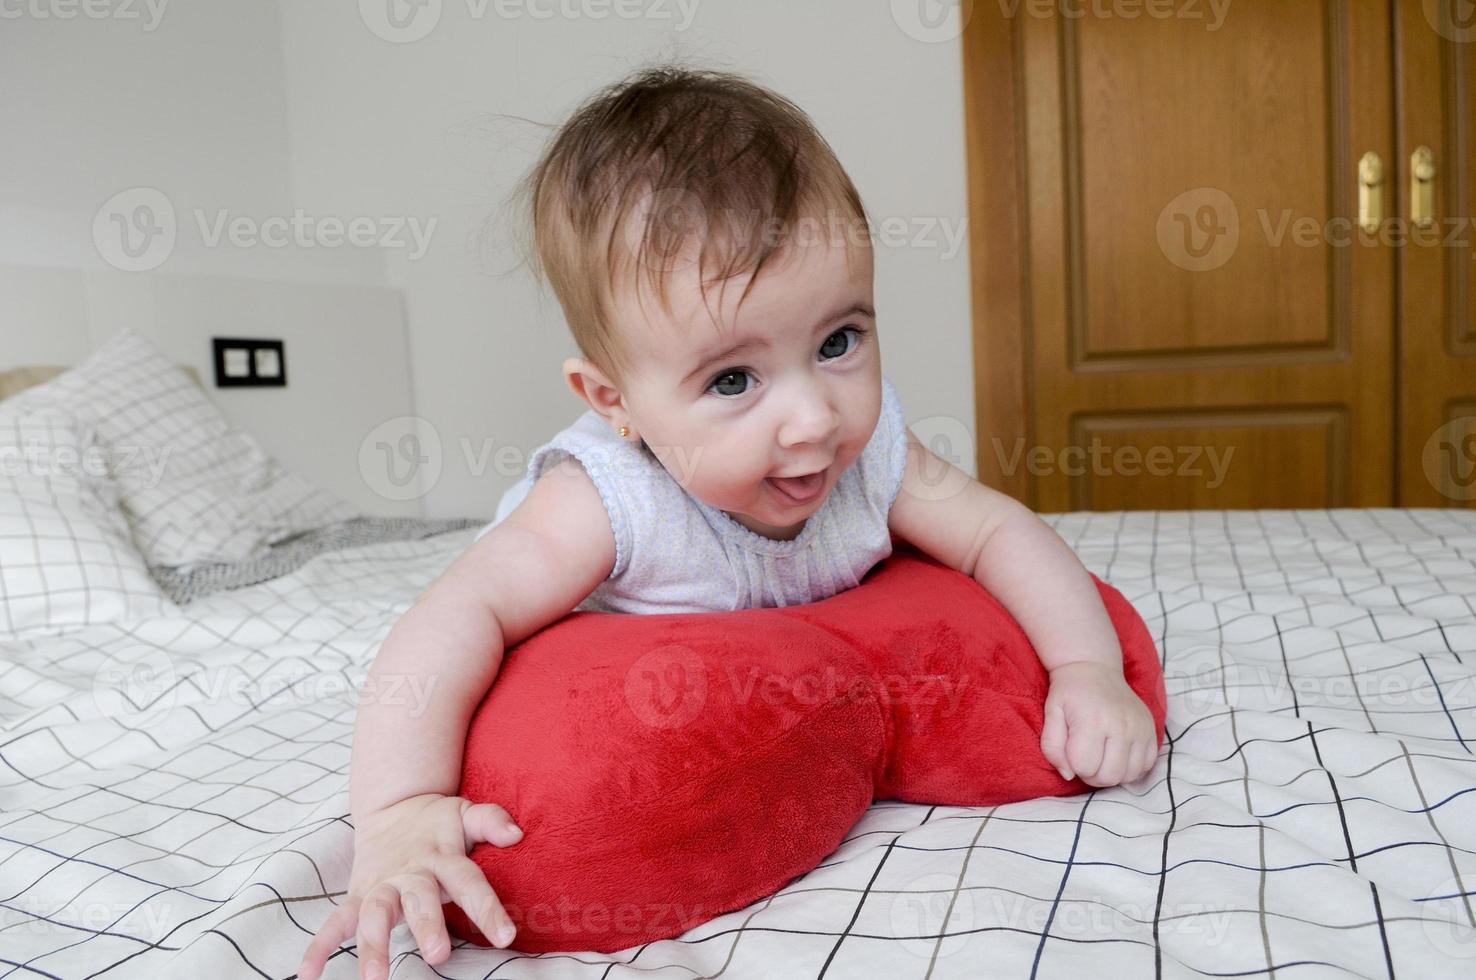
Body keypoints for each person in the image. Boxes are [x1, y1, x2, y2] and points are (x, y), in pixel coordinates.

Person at [299, 62, 1157, 980]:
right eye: (733, 381)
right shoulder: (607, 499)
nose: (814, 421)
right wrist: (399, 811)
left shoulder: (870, 454)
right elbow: (452, 615)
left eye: (839, 342)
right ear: (615, 400)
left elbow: (999, 532)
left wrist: (1086, 669)